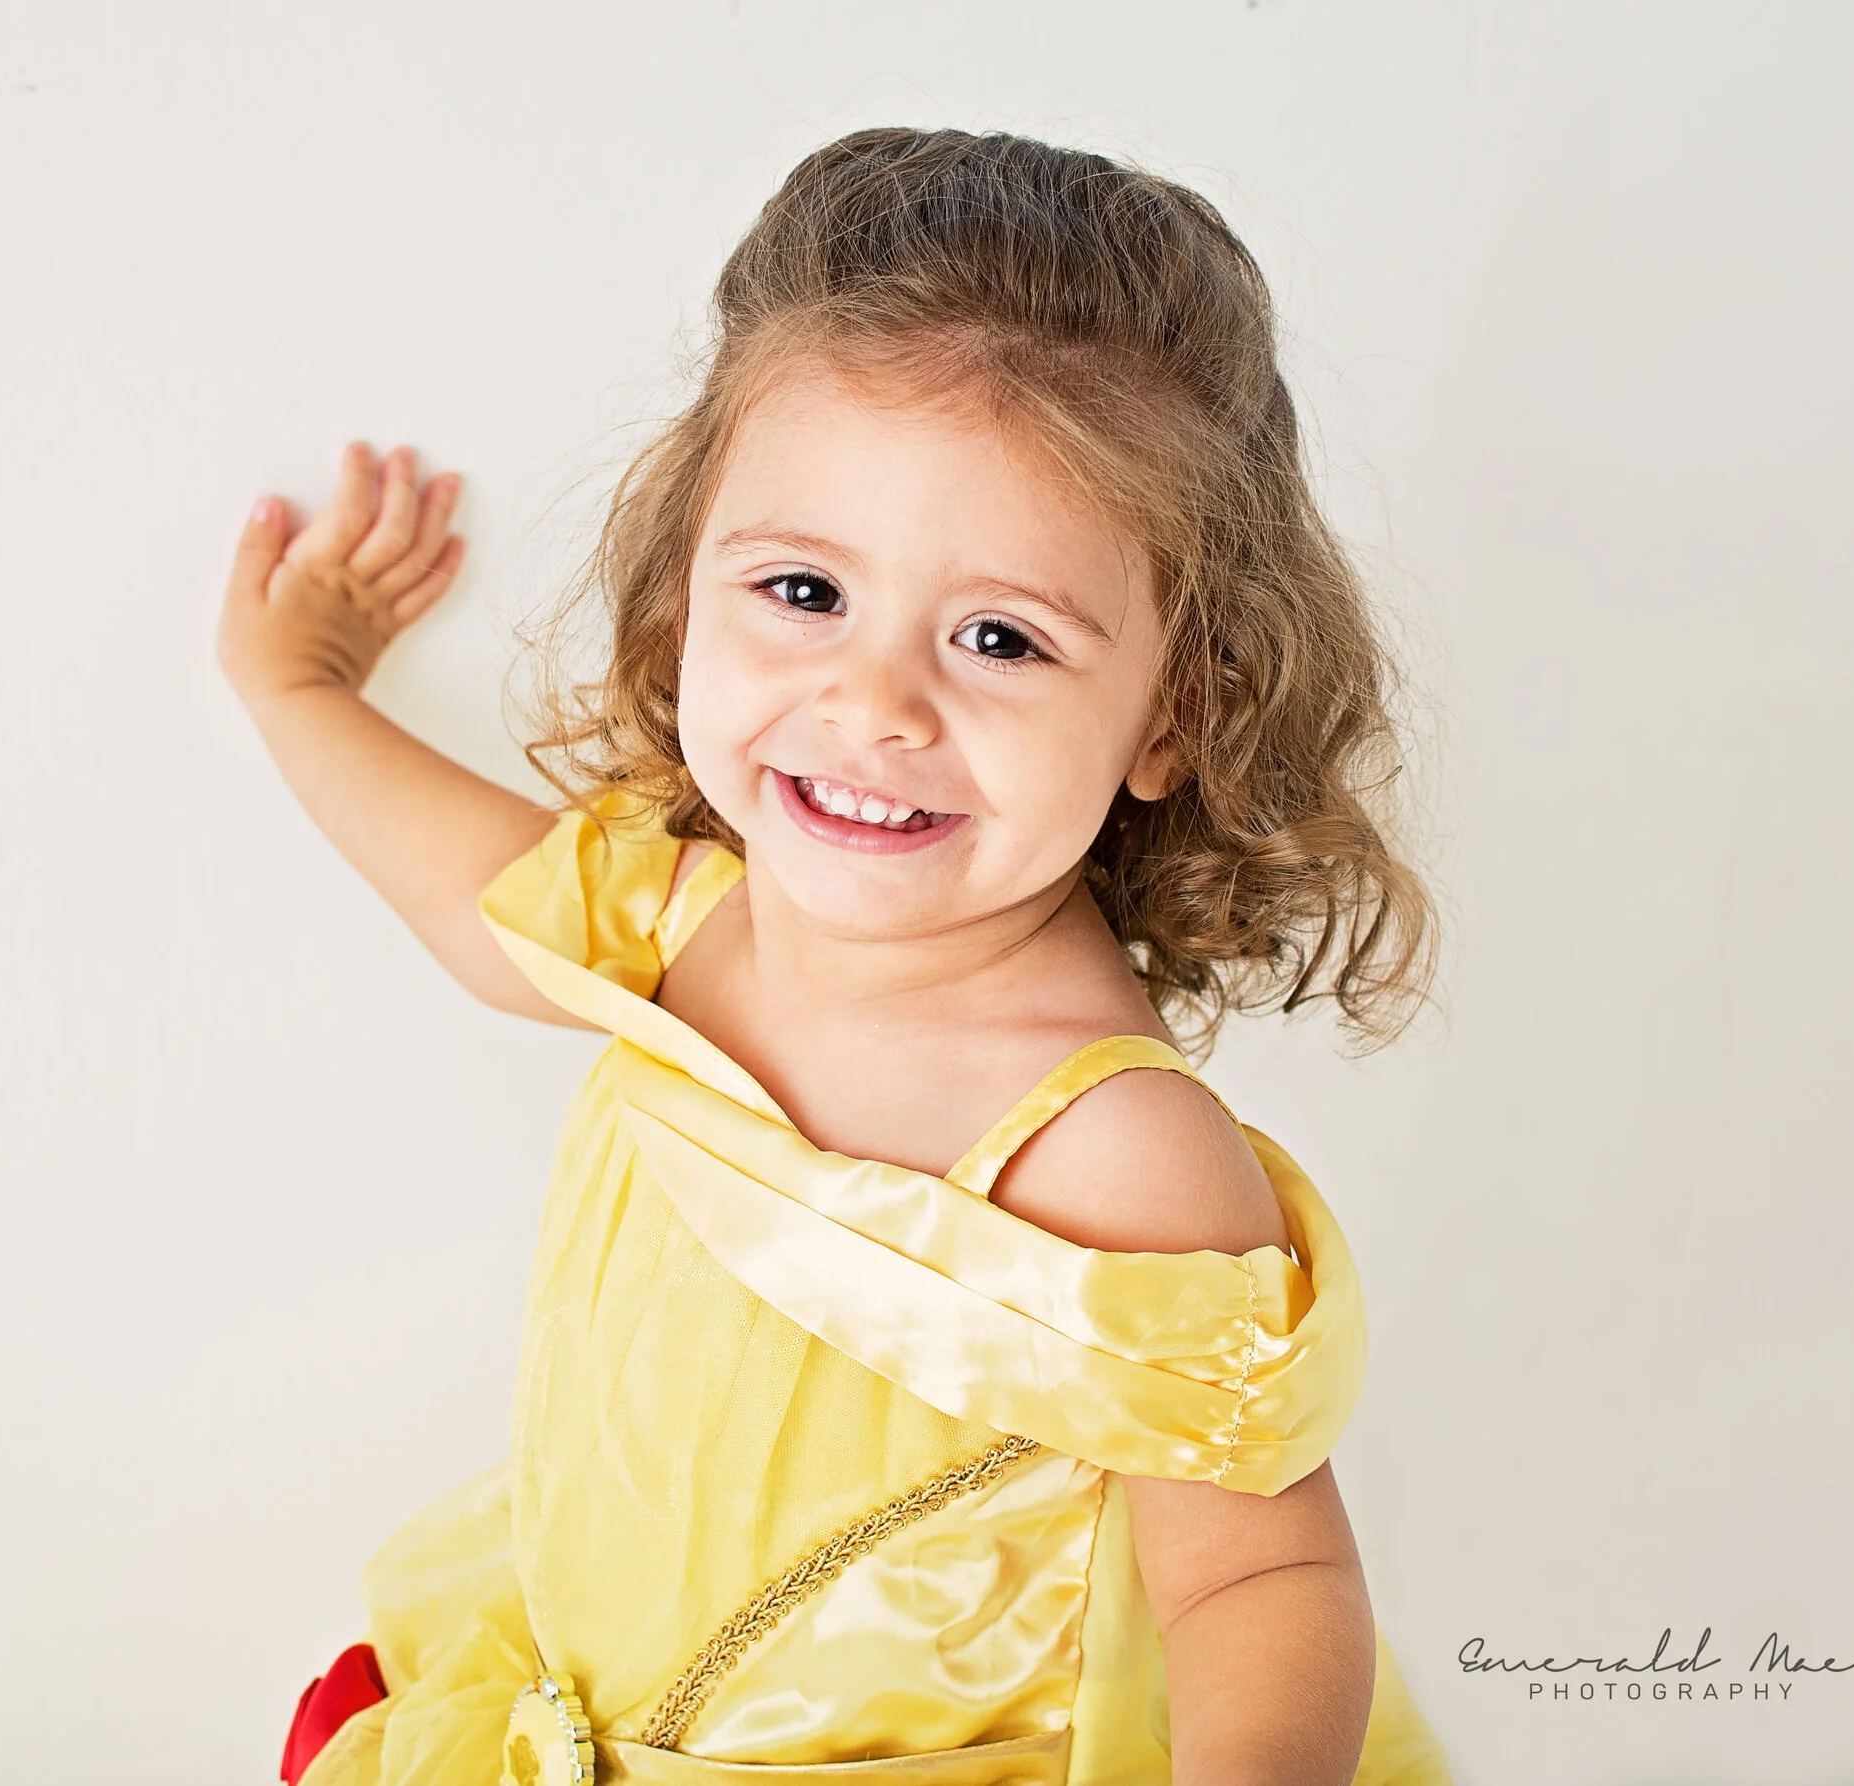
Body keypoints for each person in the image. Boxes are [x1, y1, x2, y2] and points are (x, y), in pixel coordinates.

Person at [220, 126, 1453, 1786]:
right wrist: (300, 691)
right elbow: (470, 903)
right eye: (803, 589)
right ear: (682, 602)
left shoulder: (1112, 1145)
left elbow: (1262, 1570)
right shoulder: (683, 925)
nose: (876, 704)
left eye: (999, 636)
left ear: (1177, 712)